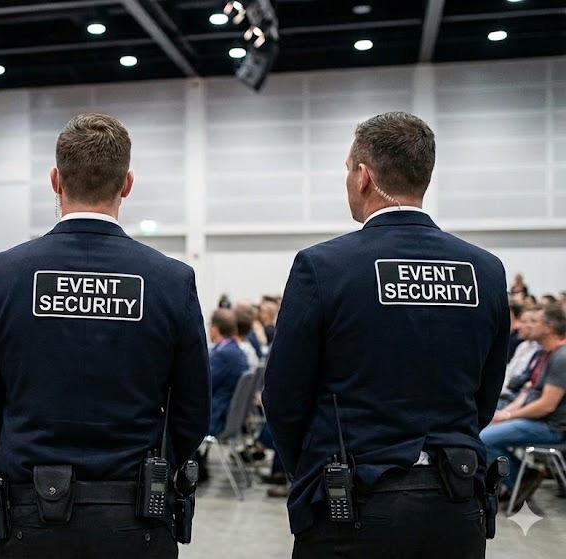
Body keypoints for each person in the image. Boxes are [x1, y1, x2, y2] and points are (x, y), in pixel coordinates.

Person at [262, 111, 510, 558]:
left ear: (363, 176)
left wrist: (314, 467)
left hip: (352, 503)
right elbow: (486, 395)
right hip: (455, 501)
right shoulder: (485, 269)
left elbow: (283, 394)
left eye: (346, 169)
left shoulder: (324, 266)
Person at [0, 113, 210, 558]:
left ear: (55, 180)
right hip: (137, 518)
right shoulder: (171, 280)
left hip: (30, 517)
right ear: (127, 183)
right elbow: (193, 407)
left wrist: (23, 462)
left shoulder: (1, 275)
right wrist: (156, 464)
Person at [481, 304, 566, 509]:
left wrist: (509, 415)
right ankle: (519, 479)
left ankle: (524, 477)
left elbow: (546, 405)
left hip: (549, 427)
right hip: (534, 419)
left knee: (482, 438)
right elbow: (528, 392)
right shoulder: (545, 353)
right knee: (482, 425)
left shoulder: (561, 357)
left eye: (534, 321)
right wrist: (505, 415)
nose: (524, 325)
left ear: (548, 327)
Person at [207, 308, 250, 437]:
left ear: (215, 329)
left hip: (215, 417)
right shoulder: (237, 351)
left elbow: (205, 386)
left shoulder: (223, 355)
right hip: (230, 416)